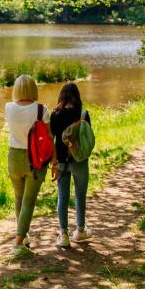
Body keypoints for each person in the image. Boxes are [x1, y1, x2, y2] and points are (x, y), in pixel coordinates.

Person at [5, 74, 55, 254]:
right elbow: (49, 138)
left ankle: (23, 235)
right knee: (28, 201)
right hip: (36, 159)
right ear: (33, 89)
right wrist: (54, 163)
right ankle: (19, 242)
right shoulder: (42, 110)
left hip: (14, 157)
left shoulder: (8, 107)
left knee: (19, 198)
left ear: (17, 89)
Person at [50, 82, 92, 248]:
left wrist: (53, 163)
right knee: (80, 196)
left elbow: (52, 140)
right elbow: (87, 138)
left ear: (62, 96)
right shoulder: (83, 114)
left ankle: (64, 234)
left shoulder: (56, 114)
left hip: (61, 162)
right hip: (80, 160)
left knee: (63, 196)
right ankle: (80, 230)